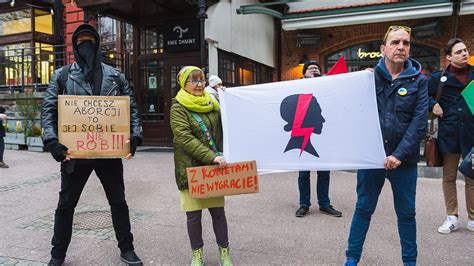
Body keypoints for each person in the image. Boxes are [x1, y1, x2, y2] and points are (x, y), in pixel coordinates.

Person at [41, 24, 143, 266]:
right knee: (66, 204)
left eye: (90, 40)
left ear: (97, 45)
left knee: (118, 202)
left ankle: (127, 248)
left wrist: (135, 137)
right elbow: (48, 109)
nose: (85, 45)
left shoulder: (115, 76)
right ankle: (57, 255)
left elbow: (131, 109)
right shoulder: (62, 75)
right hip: (74, 155)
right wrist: (52, 141)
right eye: (80, 41)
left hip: (108, 154)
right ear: (75, 46)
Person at [344, 25, 428, 266]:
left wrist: (399, 155)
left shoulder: (419, 82)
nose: (401, 47)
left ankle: (409, 262)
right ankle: (351, 259)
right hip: (372, 159)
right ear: (383, 49)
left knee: (407, 214)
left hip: (404, 162)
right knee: (363, 209)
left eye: (405, 43)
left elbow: (419, 122)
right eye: (395, 42)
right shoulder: (366, 78)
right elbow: (351, 113)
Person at [170, 66, 233, 266]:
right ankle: (197, 253)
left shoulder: (212, 102)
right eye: (194, 81)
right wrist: (211, 157)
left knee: (218, 213)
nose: (199, 85)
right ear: (184, 84)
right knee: (194, 216)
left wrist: (229, 102)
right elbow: (184, 138)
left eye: (201, 80)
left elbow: (229, 126)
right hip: (191, 169)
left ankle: (224, 251)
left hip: (215, 168)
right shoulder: (178, 107)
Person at [428, 38, 474, 234]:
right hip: (449, 134)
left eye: (465, 50)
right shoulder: (438, 78)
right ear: (448, 57)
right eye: (459, 52)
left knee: (472, 176)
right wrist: (433, 105)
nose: (464, 54)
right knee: (449, 177)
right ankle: (452, 216)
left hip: (472, 134)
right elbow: (425, 97)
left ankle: (473, 218)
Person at [294, 60, 342, 218]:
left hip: (323, 136)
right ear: (304, 73)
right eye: (310, 68)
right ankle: (304, 204)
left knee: (324, 173)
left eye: (316, 68)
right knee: (303, 174)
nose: (314, 70)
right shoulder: (297, 87)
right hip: (304, 135)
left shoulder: (326, 87)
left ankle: (324, 204)